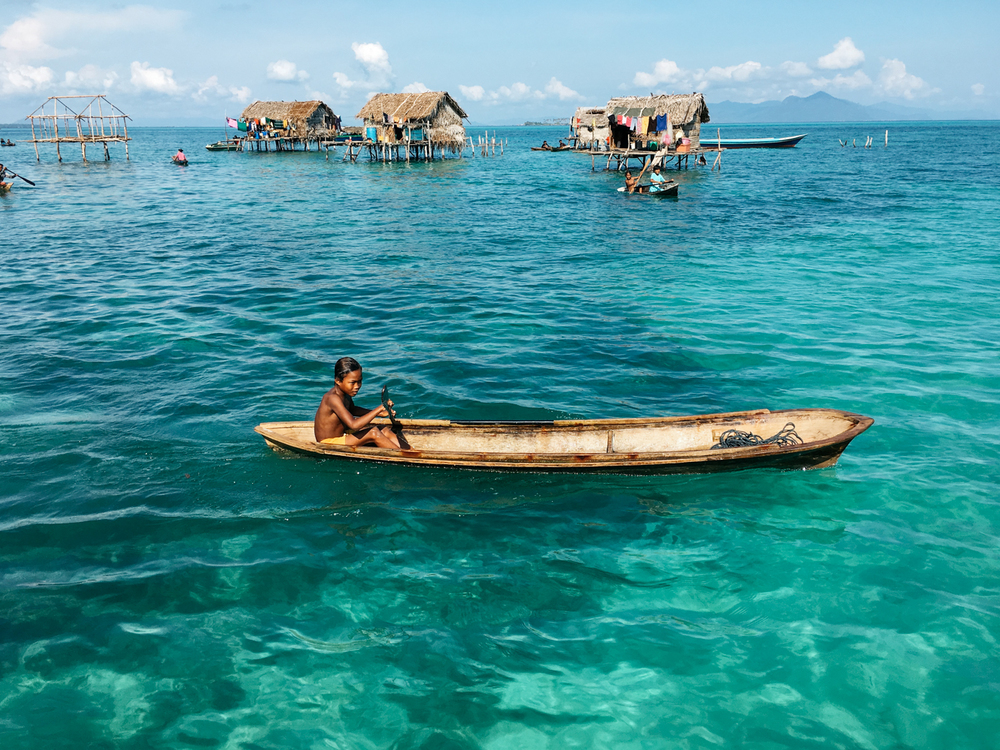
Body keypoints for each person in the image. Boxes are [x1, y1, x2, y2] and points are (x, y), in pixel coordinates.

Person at [314, 357, 404, 449]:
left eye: (359, 381)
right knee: (373, 433)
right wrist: (379, 409)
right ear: (338, 381)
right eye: (352, 382)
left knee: (383, 429)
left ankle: (412, 452)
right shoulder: (332, 398)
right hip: (327, 443)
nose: (357, 386)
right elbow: (354, 425)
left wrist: (381, 413)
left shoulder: (345, 393)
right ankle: (404, 457)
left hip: (342, 435)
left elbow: (353, 409)